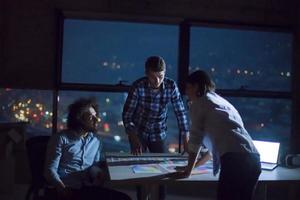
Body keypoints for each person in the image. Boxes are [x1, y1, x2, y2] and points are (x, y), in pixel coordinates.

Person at [174, 70, 261, 200]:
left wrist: (188, 171)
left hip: (234, 161)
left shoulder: (199, 104)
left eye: (188, 87)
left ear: (196, 86)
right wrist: (191, 166)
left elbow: (195, 140)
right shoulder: (222, 102)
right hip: (253, 159)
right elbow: (213, 150)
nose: (186, 92)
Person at [122, 56, 190, 200]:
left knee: (163, 172)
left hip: (159, 132)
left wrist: (186, 139)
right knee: (139, 170)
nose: (157, 81)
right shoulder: (138, 86)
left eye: (160, 76)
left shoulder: (171, 86)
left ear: (165, 73)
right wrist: (133, 137)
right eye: (153, 77)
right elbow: (127, 116)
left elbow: (181, 112)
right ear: (146, 74)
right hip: (138, 131)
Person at [44, 97, 131, 200]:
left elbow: (93, 166)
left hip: (85, 188)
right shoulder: (61, 138)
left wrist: (98, 174)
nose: (96, 119)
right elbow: (49, 170)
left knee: (124, 198)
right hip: (64, 187)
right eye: (91, 117)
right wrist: (61, 187)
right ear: (79, 118)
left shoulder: (96, 141)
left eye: (96, 116)